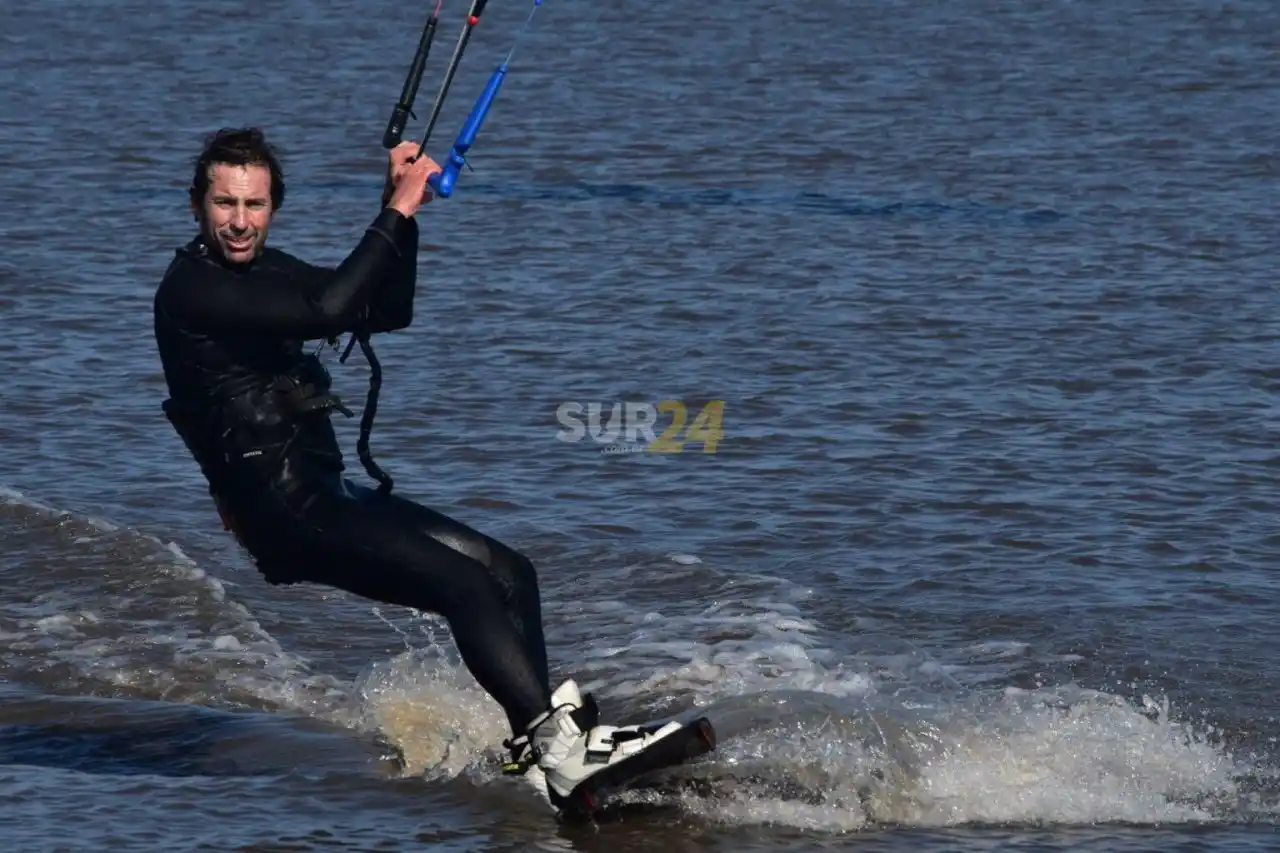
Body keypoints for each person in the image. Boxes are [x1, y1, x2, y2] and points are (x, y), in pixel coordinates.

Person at [153, 127, 682, 808]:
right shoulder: (193, 289)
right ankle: (562, 750)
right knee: (462, 583)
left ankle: (550, 756)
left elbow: (383, 310)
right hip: (284, 510)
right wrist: (396, 207)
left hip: (323, 490)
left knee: (510, 573)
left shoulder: (264, 270)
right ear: (196, 202)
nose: (239, 221)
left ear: (273, 206)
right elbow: (330, 308)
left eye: (254, 204)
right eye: (224, 202)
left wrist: (402, 212)